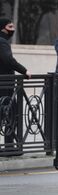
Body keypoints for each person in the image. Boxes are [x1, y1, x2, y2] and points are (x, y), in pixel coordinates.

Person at [0, 19, 31, 151]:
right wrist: (24, 70)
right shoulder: (2, 42)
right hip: (5, 85)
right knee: (10, 114)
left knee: (7, 114)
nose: (12, 29)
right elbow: (8, 60)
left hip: (4, 83)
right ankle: (9, 147)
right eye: (9, 26)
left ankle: (10, 146)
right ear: (2, 28)